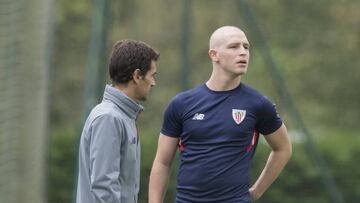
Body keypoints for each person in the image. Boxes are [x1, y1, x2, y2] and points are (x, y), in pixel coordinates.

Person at [149, 26, 292, 203]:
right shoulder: (181, 104)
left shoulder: (258, 104)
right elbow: (162, 162)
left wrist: (256, 191)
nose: (243, 53)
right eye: (234, 47)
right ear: (214, 54)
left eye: (246, 47)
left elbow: (283, 149)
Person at [76, 39, 159, 203]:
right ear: (137, 76)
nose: (153, 83)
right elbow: (104, 188)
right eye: (152, 75)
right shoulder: (108, 118)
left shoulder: (123, 117)